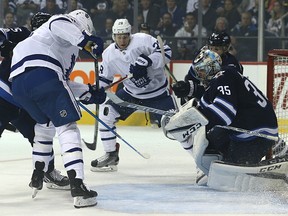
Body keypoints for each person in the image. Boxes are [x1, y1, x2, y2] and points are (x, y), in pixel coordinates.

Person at [9, 9, 106, 208]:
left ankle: (38, 173)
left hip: (19, 86)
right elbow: (58, 23)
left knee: (44, 125)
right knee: (67, 127)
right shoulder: (63, 23)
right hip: (43, 75)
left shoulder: (45, 42)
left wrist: (88, 92)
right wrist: (85, 40)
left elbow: (60, 82)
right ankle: (78, 186)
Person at [163, 49, 278, 184]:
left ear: (211, 68)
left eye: (201, 70)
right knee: (211, 140)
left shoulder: (223, 77)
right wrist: (189, 89)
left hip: (257, 134)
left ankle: (271, 170)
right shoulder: (224, 76)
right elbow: (209, 97)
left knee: (229, 175)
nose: (199, 74)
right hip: (251, 128)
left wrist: (193, 120)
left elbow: (224, 113)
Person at [90, 18, 176, 172]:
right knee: (106, 112)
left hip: (158, 94)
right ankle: (111, 155)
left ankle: (202, 159)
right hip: (131, 94)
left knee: (178, 126)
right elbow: (104, 79)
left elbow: (167, 51)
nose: (122, 40)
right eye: (119, 37)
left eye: (125, 36)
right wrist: (96, 90)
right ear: (113, 36)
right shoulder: (109, 53)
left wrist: (148, 61)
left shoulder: (143, 40)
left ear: (130, 34)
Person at [0, 12, 70, 190]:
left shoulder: (55, 49)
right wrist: (3, 43)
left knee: (41, 136)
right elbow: (2, 33)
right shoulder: (24, 34)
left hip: (24, 104)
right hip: (4, 96)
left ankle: (48, 171)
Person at [172, 31, 243, 104]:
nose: (212, 52)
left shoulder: (231, 65)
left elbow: (221, 94)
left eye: (216, 49)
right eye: (211, 48)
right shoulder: (204, 54)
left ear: (225, 49)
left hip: (223, 101)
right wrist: (185, 89)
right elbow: (191, 77)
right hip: (206, 94)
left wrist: (194, 90)